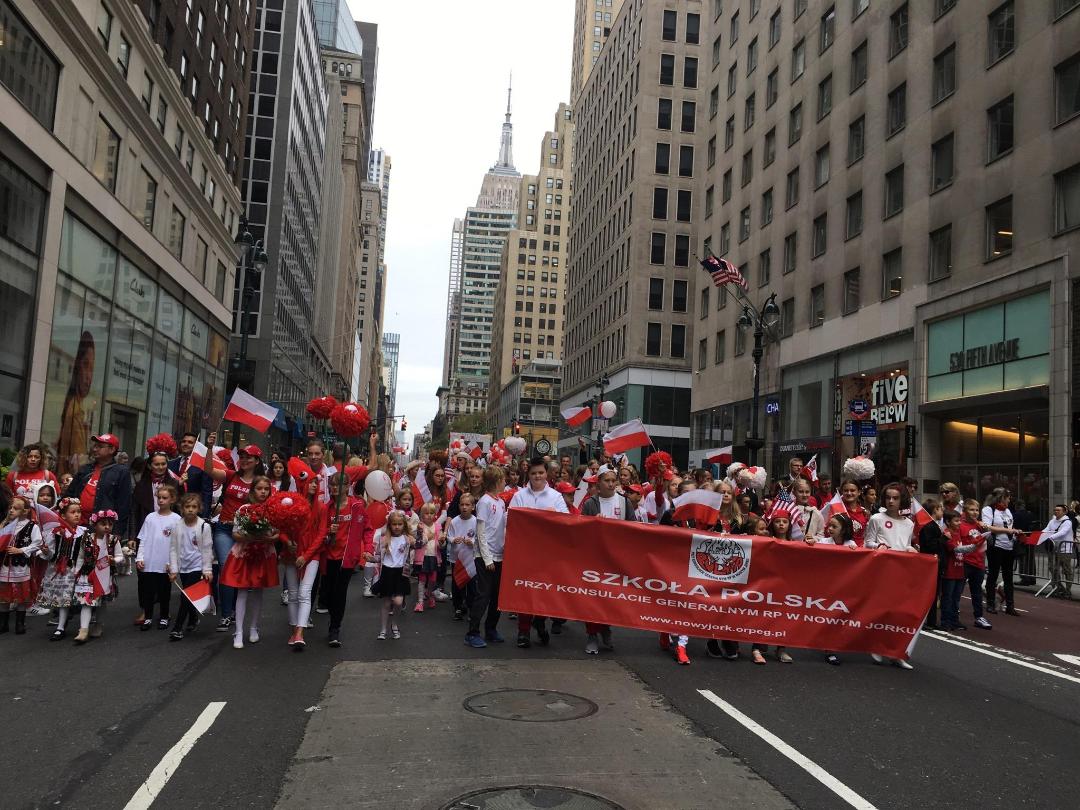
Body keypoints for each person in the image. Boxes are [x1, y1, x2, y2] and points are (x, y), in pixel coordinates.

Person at [508, 457, 569, 648]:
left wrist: (553, 517)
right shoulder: (519, 496)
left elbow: (566, 521)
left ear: (546, 474)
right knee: (525, 592)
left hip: (548, 554)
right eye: (534, 473)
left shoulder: (555, 497)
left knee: (544, 592)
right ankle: (523, 631)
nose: (537, 476)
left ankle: (540, 622)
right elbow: (510, 518)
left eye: (541, 473)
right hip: (525, 552)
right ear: (528, 474)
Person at [579, 467, 635, 657]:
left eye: (613, 480)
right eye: (607, 481)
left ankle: (605, 628)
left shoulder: (625, 502)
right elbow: (581, 529)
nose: (611, 484)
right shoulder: (590, 503)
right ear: (598, 483)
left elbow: (633, 529)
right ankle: (592, 634)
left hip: (615, 559)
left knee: (609, 598)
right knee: (593, 598)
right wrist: (593, 523)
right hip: (595, 558)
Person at [208, 444, 264, 631]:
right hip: (224, 529)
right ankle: (226, 614)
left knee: (240, 572)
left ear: (257, 461)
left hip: (245, 532)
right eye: (242, 456)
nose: (245, 460)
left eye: (249, 457)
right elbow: (209, 470)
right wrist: (209, 448)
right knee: (226, 568)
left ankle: (234, 609)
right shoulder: (231, 475)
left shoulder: (260, 482)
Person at [221, 475, 278, 649]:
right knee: (242, 591)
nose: (263, 492)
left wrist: (269, 538)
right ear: (253, 491)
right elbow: (235, 534)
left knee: (258, 591)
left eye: (266, 489)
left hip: (263, 553)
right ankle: (238, 631)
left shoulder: (273, 510)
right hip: (245, 552)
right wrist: (250, 536)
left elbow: (277, 533)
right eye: (259, 488)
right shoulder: (244, 509)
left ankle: (254, 627)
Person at [323, 473, 374, 647]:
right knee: (328, 594)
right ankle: (333, 618)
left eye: (338, 485)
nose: (334, 488)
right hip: (329, 556)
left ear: (347, 486)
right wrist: (329, 531)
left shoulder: (357, 506)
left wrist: (368, 549)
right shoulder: (327, 508)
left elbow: (368, 529)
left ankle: (334, 628)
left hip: (347, 558)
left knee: (340, 592)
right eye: (332, 485)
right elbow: (321, 533)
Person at [805, 513, 857, 665]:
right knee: (827, 617)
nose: (830, 529)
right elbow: (814, 546)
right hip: (826, 587)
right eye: (829, 526)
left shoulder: (851, 544)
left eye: (834, 526)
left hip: (844, 587)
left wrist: (855, 551)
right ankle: (828, 648)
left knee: (838, 618)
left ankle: (832, 647)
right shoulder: (824, 541)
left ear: (844, 529)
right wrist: (812, 542)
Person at [468, 466, 507, 647]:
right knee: (483, 595)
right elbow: (481, 532)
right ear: (497, 481)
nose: (505, 482)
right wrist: (487, 558)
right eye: (503, 480)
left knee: (497, 596)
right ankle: (472, 633)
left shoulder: (501, 502)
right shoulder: (484, 502)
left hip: (499, 556)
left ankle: (491, 629)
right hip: (485, 556)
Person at [71, 509, 124, 643]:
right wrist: (76, 571)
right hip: (88, 575)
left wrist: (114, 560)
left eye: (110, 524)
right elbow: (81, 556)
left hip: (105, 576)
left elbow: (120, 556)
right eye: (103, 524)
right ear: (95, 525)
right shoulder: (87, 539)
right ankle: (83, 630)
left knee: (101, 603)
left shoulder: (113, 540)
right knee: (86, 602)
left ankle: (98, 625)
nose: (107, 527)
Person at [288, 479, 329, 650]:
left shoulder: (321, 508)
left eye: (315, 483)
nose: (313, 485)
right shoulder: (291, 505)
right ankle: (294, 630)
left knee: (304, 593)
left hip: (312, 555)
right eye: (309, 482)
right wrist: (287, 542)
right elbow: (283, 528)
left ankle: (300, 632)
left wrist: (306, 556)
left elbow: (321, 534)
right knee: (292, 594)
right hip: (291, 554)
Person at [36, 498, 85, 639]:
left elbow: (85, 553)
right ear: (63, 515)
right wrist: (46, 551)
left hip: (76, 569)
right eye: (73, 512)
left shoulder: (83, 532)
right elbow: (51, 555)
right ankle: (61, 626)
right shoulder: (56, 533)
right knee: (63, 599)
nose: (77, 515)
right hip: (58, 570)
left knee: (79, 597)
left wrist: (82, 568)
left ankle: (83, 623)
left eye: (78, 512)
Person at [135, 483, 180, 631]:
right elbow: (143, 539)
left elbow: (177, 544)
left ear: (172, 499)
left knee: (164, 592)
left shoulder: (176, 519)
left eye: (164, 498)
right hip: (149, 562)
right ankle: (148, 617)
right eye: (159, 497)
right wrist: (140, 557)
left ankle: (164, 616)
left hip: (165, 563)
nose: (161, 500)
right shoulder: (150, 517)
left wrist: (172, 562)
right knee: (148, 591)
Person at [168, 493, 213, 640]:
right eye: (187, 506)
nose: (191, 509)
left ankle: (177, 628)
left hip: (197, 566)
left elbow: (207, 549)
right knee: (189, 596)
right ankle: (193, 619)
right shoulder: (177, 526)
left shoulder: (204, 527)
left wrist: (207, 570)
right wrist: (174, 569)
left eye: (194, 507)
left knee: (185, 596)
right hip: (183, 566)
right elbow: (173, 549)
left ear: (199, 509)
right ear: (182, 508)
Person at [66, 434, 132, 534]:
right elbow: (69, 494)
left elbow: (124, 505)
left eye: (100, 446)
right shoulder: (86, 469)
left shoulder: (121, 472)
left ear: (112, 449)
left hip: (102, 529)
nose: (95, 449)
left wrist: (118, 532)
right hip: (77, 526)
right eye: (95, 446)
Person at [368, 511, 416, 640]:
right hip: (387, 572)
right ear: (390, 525)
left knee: (398, 602)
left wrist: (420, 532)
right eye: (394, 524)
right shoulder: (384, 539)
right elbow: (378, 557)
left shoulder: (407, 539)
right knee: (386, 603)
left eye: (400, 524)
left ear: (404, 525)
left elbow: (420, 543)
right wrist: (371, 558)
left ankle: (394, 624)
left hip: (401, 573)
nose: (397, 527)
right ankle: (383, 629)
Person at [0, 496, 43, 635]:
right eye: (10, 508)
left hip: (21, 567)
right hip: (5, 566)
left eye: (16, 508)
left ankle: (20, 623)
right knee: (4, 596)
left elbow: (37, 543)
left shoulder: (32, 526)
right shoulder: (5, 524)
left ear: (25, 511)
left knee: (22, 596)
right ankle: (3, 623)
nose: (11, 510)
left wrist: (21, 550)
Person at [982, 488, 1022, 616]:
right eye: (1008, 497)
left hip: (1009, 546)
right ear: (1001, 498)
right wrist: (1007, 531)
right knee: (993, 575)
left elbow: (1009, 526)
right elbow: (987, 527)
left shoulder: (1008, 511)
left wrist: (1015, 531)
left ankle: (1010, 606)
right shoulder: (988, 510)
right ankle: (990, 604)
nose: (1009, 500)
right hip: (996, 546)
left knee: (1008, 577)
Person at [941, 509, 978, 631]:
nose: (959, 523)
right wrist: (973, 547)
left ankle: (954, 620)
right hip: (950, 571)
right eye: (956, 521)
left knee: (956, 598)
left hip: (959, 570)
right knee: (948, 597)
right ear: (948, 522)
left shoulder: (957, 533)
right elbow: (956, 549)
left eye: (959, 520)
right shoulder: (946, 533)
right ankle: (945, 621)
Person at [959, 498, 992, 630]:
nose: (975, 512)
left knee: (977, 592)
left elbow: (990, 537)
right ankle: (952, 615)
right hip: (965, 562)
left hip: (979, 563)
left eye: (977, 510)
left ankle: (979, 617)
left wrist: (986, 530)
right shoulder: (960, 525)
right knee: (958, 590)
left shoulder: (980, 525)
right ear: (965, 511)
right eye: (971, 510)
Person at [917, 497, 947, 629]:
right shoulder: (930, 526)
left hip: (935, 564)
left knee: (934, 594)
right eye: (940, 509)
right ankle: (927, 621)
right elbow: (930, 545)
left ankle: (932, 621)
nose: (942, 511)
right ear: (935, 510)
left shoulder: (933, 525)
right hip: (931, 564)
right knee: (930, 594)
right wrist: (944, 539)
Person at [170, 431, 216, 517]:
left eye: (190, 442)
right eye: (184, 441)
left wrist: (205, 516)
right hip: (172, 511)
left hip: (193, 513)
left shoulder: (202, 466)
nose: (186, 444)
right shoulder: (171, 464)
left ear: (196, 446)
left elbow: (207, 492)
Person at [412, 503, 443, 612]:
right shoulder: (420, 526)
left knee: (432, 580)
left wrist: (442, 541)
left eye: (432, 513)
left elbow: (440, 544)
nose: (429, 515)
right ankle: (420, 601)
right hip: (422, 557)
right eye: (426, 513)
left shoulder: (438, 526)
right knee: (422, 580)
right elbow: (418, 542)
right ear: (421, 515)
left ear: (435, 514)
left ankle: (429, 594)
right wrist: (425, 536)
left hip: (434, 557)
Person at [1039, 504, 1074, 598]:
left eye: (1058, 510)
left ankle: (1068, 591)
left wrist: (1050, 537)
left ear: (1064, 512)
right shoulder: (1052, 521)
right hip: (1053, 548)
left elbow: (1062, 532)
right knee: (1052, 568)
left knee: (1067, 570)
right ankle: (1060, 588)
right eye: (1055, 510)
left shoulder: (1067, 522)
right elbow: (1046, 530)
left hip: (1065, 549)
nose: (1056, 511)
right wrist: (1039, 535)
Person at [836, 479, 870, 546]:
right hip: (841, 549)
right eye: (846, 490)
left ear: (859, 492)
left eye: (852, 490)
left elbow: (867, 535)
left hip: (859, 549)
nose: (849, 493)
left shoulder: (864, 512)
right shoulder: (837, 510)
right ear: (842, 492)